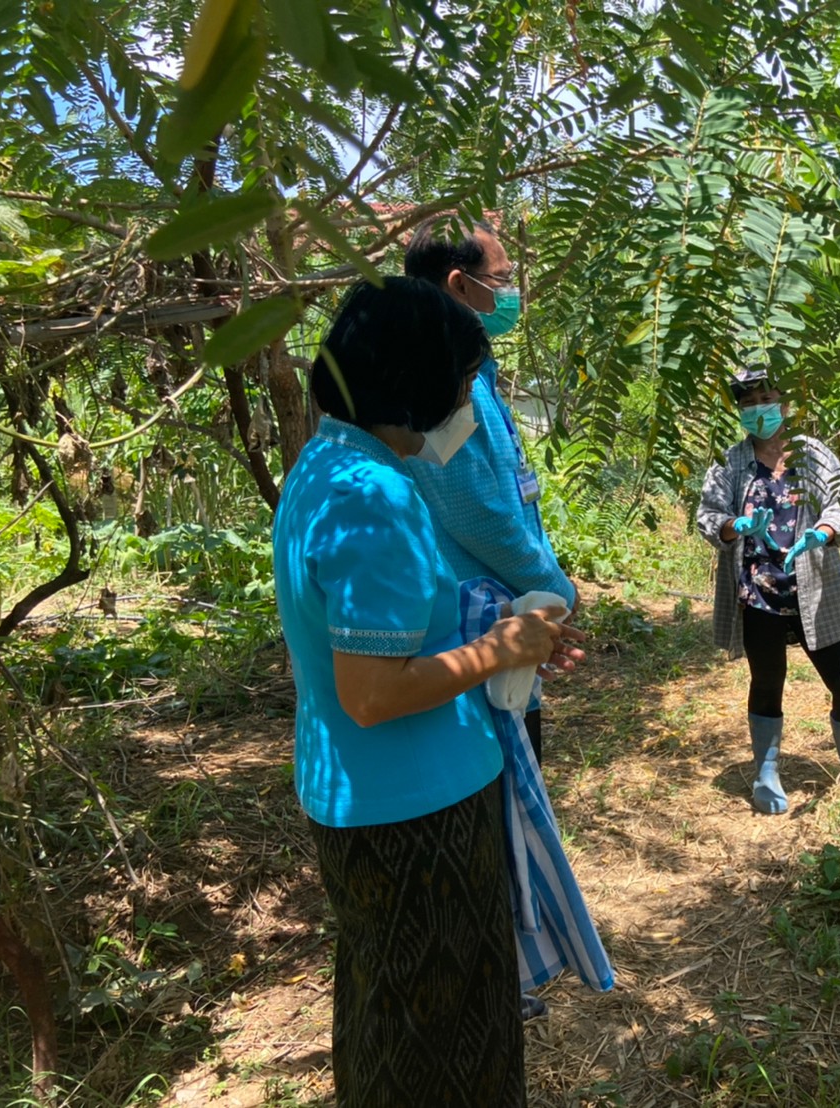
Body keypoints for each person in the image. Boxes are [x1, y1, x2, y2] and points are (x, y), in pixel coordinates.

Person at [272, 277, 585, 1107]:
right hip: (418, 815)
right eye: (457, 386)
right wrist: (497, 650)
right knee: (449, 1036)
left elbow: (375, 634)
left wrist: (499, 634)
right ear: (411, 384)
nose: (464, 407)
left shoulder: (324, 465)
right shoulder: (375, 498)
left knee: (388, 1010)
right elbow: (372, 692)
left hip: (364, 801)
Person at [403, 214, 577, 765]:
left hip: (503, 622)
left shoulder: (473, 370)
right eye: (501, 281)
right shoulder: (442, 382)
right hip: (473, 631)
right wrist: (559, 590)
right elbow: (478, 514)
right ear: (459, 284)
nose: (510, 293)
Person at [697, 367, 840, 814]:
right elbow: (708, 515)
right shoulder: (730, 463)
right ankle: (766, 773)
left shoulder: (814, 455)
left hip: (815, 591)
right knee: (767, 681)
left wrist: (822, 531)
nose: (757, 410)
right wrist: (734, 525)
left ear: (784, 402)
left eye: (765, 398)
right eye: (747, 403)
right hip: (758, 594)